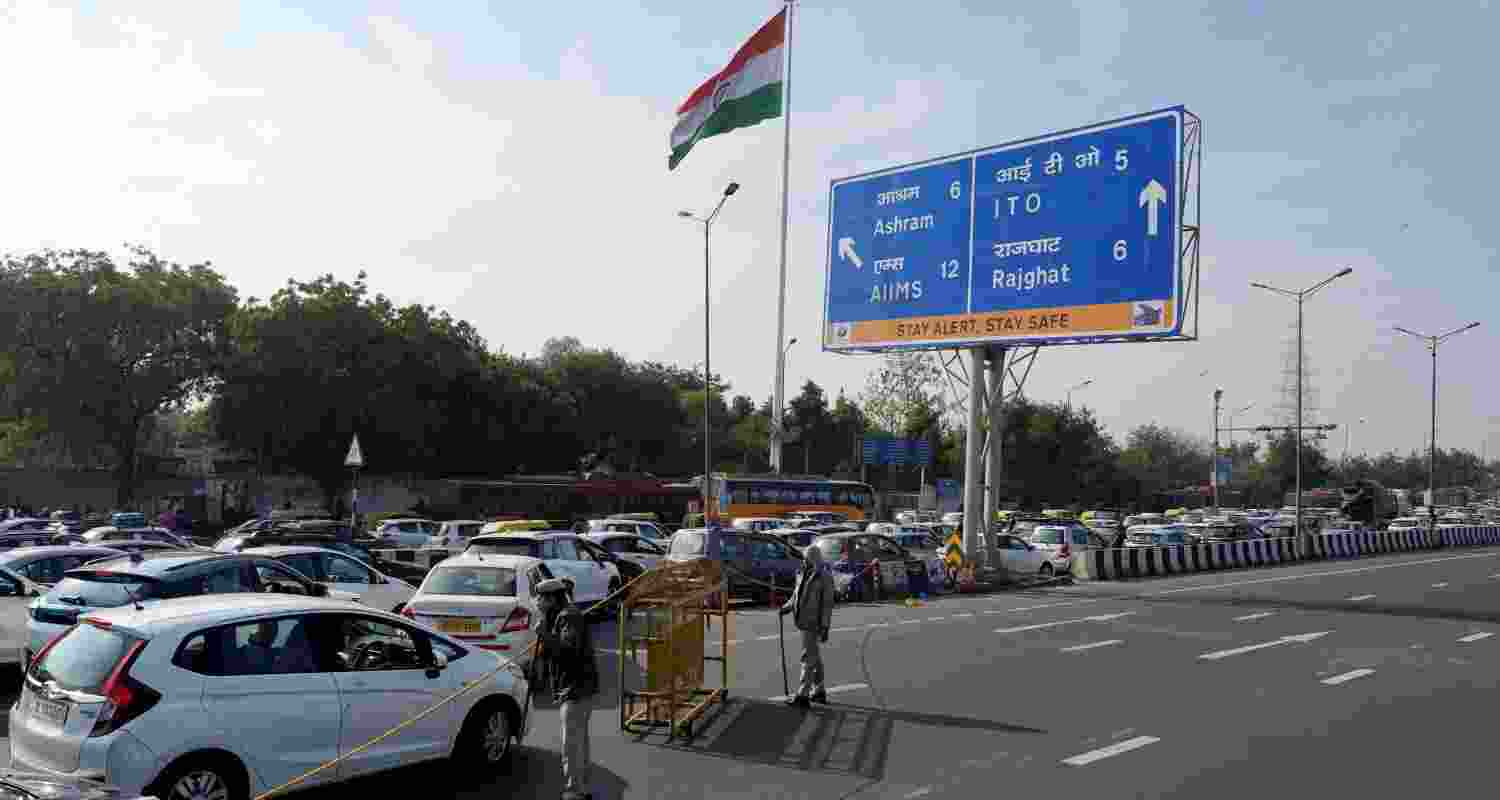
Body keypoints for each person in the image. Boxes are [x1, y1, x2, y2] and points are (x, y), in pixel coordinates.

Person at [532, 577, 598, 800]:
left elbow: (568, 652)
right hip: (573, 688)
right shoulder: (559, 616)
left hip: (576, 689)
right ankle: (582, 788)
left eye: (541, 598)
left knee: (571, 743)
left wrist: (544, 634)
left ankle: (575, 790)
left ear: (552, 599)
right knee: (578, 741)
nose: (537, 601)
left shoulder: (568, 616)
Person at [779, 542, 835, 709]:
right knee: (814, 658)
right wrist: (786, 608)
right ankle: (819, 691)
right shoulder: (802, 573)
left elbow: (827, 604)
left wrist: (825, 627)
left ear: (813, 559)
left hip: (814, 623)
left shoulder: (824, 577)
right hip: (802, 621)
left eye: (806, 558)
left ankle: (803, 694)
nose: (803, 561)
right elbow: (796, 594)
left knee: (807, 657)